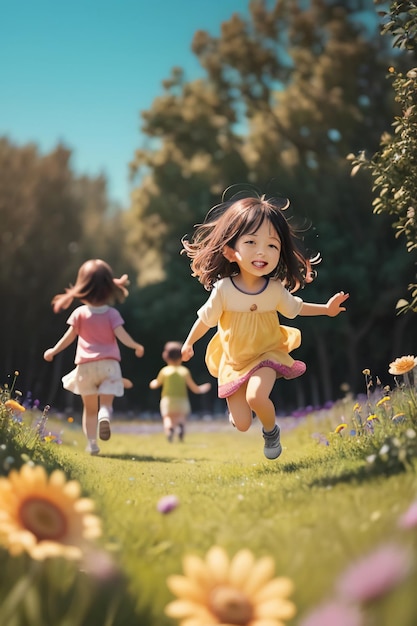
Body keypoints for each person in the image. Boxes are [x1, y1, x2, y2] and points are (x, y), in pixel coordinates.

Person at [181, 192, 349, 460]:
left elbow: (297, 308)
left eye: (272, 245)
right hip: (234, 362)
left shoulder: (274, 289)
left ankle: (271, 432)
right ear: (230, 251)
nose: (262, 252)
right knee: (243, 423)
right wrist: (189, 343)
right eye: (250, 242)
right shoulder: (224, 289)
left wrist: (327, 310)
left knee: (257, 397)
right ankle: (241, 416)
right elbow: (205, 320)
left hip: (267, 353)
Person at [43, 259, 144, 455]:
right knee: (104, 404)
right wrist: (136, 346)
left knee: (89, 410)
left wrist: (53, 350)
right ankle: (104, 415)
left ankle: (92, 444)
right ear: (108, 288)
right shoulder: (112, 314)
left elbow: (68, 337)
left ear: (83, 286)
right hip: (109, 365)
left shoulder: (79, 313)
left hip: (85, 367)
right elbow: (122, 336)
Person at [149, 341, 211, 442]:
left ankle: (169, 429)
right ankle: (180, 426)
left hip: (168, 400)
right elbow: (194, 388)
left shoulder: (165, 371)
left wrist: (152, 383)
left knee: (167, 418)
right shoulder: (184, 371)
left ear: (166, 356)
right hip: (182, 401)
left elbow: (156, 384)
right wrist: (202, 388)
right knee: (181, 417)